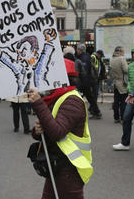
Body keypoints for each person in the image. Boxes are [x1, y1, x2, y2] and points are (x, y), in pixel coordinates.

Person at [28, 58, 93, 199]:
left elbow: (57, 132)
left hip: (69, 169)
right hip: (58, 164)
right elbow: (49, 127)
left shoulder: (72, 100)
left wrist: (38, 104)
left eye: (50, 75)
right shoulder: (58, 98)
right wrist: (37, 131)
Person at [112, 45, 134, 151]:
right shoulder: (131, 66)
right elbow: (129, 80)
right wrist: (128, 88)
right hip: (132, 97)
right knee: (126, 118)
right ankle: (125, 143)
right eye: (132, 54)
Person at [76, 43, 102, 119]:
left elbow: (84, 71)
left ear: (80, 50)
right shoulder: (87, 56)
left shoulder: (82, 58)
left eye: (77, 49)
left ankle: (76, 113)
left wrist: (80, 82)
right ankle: (96, 112)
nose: (76, 50)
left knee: (78, 97)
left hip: (83, 82)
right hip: (88, 81)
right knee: (90, 98)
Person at [110, 46, 128, 123]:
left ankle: (116, 117)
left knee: (116, 101)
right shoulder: (122, 59)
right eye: (123, 51)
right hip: (122, 82)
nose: (124, 52)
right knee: (124, 101)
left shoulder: (112, 59)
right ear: (120, 51)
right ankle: (123, 117)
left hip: (115, 82)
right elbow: (126, 70)